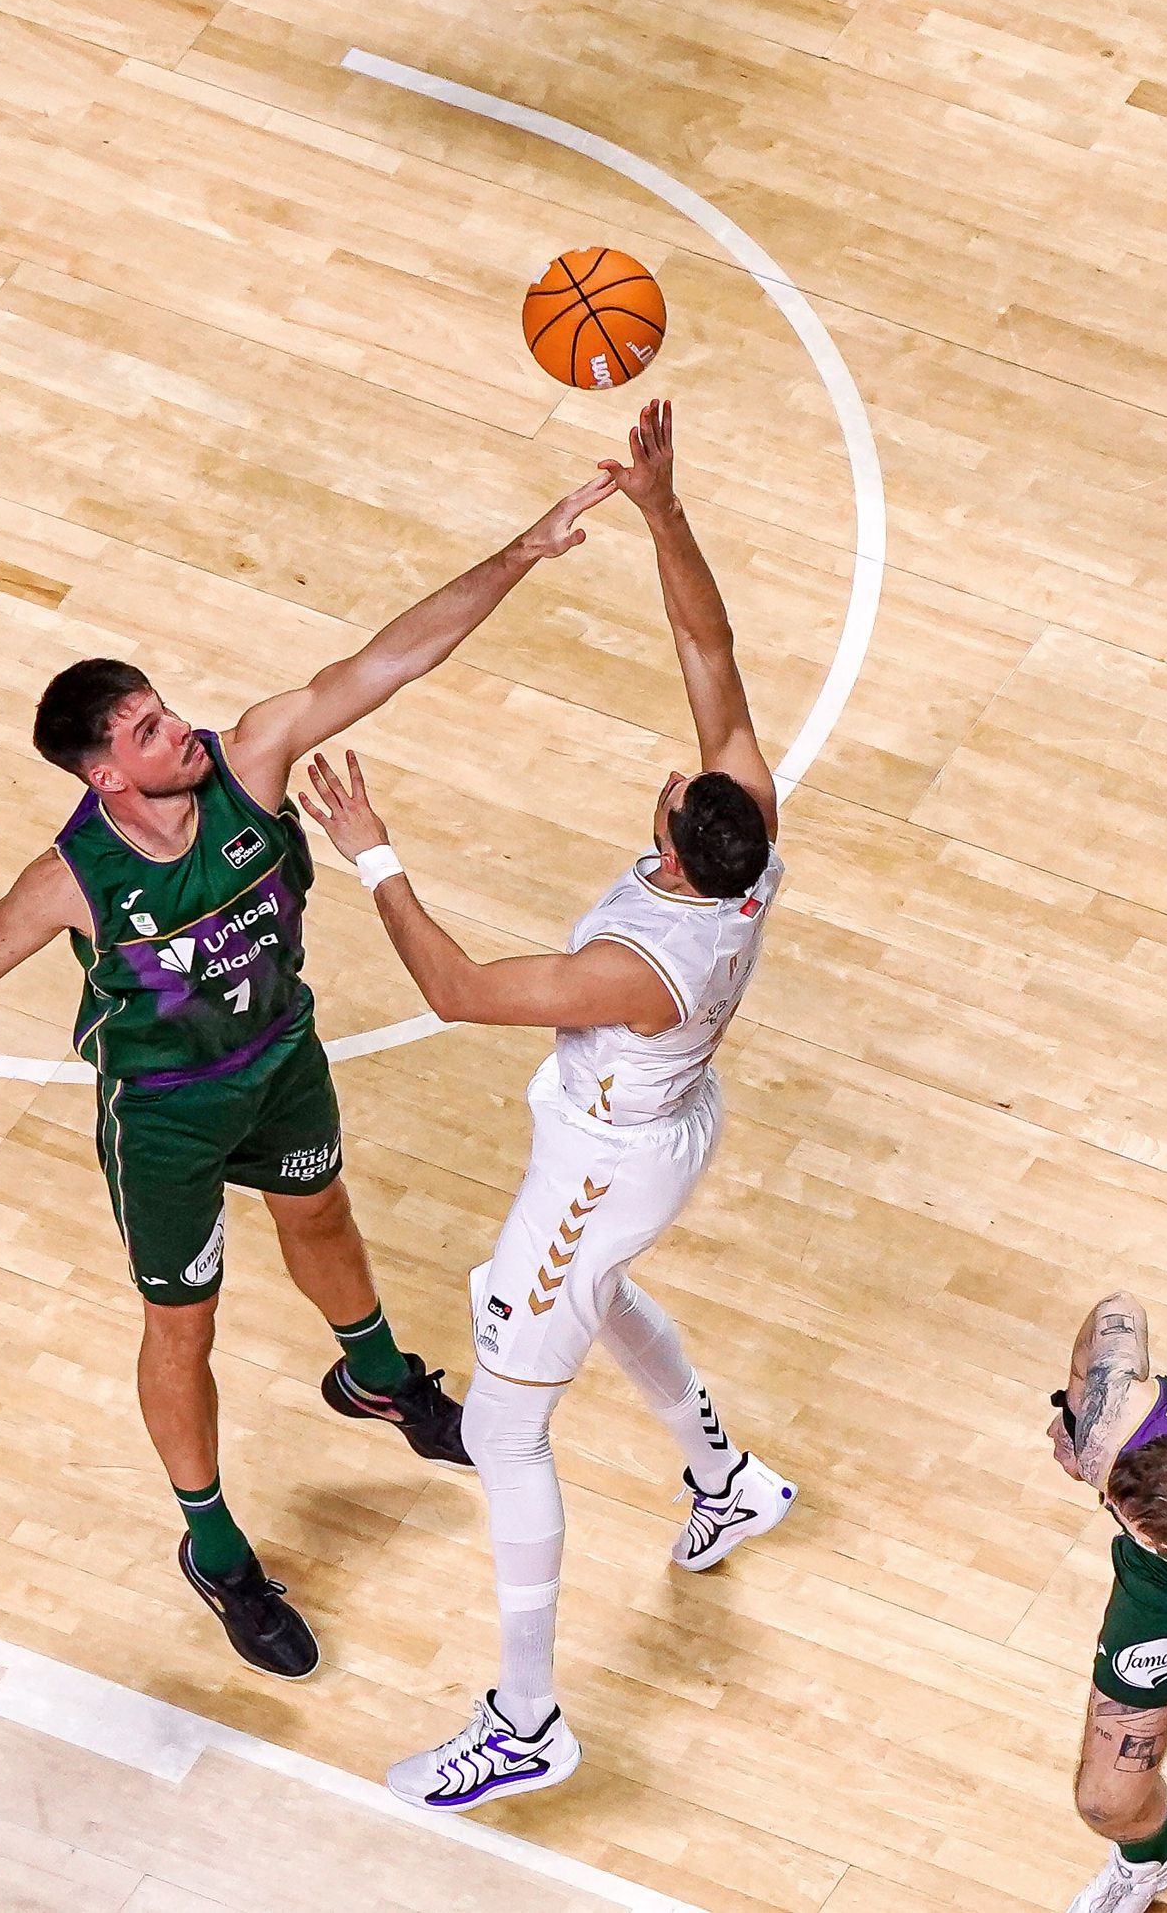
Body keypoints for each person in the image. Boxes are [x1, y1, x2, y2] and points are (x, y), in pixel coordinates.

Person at [0, 472, 615, 1681]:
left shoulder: (251, 762)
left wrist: (522, 553)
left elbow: (387, 663)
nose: (176, 727)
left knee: (322, 1212)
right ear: (104, 778)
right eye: (144, 731)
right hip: (167, 1119)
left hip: (280, 1058)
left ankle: (377, 1378)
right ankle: (216, 1548)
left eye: (163, 708)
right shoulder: (73, 876)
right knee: (184, 1327)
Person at [298, 400, 795, 1809]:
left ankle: (527, 1718)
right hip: (652, 1135)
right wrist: (661, 507)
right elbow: (715, 653)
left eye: (672, 788)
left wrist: (373, 853)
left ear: (679, 852)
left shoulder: (636, 968)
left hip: (609, 1152)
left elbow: (455, 988)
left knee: (511, 1425)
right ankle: (725, 1480)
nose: (678, 765)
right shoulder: (750, 834)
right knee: (583, 1294)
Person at [1047, 1290, 1167, 1911]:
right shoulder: (1118, 1421)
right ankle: (1152, 1857)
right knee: (1106, 1802)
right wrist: (1077, 1415)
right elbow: (1118, 1309)